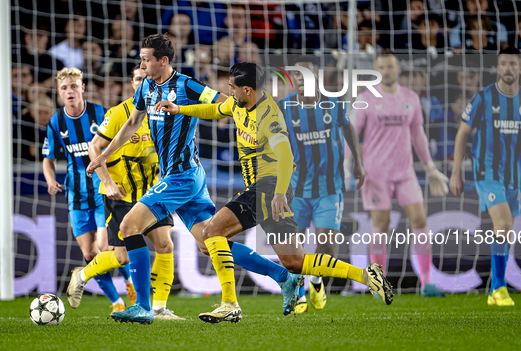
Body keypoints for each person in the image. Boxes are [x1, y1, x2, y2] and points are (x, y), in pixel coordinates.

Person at [87, 34, 305, 324]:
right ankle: (282, 276)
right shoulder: (147, 89)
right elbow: (131, 123)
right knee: (208, 242)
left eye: (145, 59)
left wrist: (249, 117)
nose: (141, 64)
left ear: (162, 61)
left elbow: (222, 103)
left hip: (183, 175)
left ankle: (142, 306)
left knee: (129, 226)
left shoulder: (186, 85)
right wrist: (103, 156)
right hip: (185, 177)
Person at [155, 62, 393, 324]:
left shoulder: (269, 117)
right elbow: (214, 109)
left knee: (211, 233)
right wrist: (180, 109)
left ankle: (229, 304)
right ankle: (366, 275)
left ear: (248, 90)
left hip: (268, 188)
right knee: (294, 261)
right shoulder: (238, 103)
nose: (229, 92)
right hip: (265, 191)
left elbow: (285, 153)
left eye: (232, 88)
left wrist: (279, 193)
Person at [67, 65, 184, 320]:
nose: (143, 83)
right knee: (120, 257)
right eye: (138, 79)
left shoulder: (163, 113)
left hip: (152, 192)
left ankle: (160, 308)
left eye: (147, 79)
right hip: (121, 193)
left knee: (165, 244)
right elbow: (94, 148)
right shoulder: (119, 113)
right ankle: (83, 274)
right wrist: (108, 183)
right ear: (132, 84)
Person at [450, 46, 521, 306]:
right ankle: (498, 287)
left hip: (513, 175)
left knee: (506, 233)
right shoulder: (483, 98)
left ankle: (494, 291)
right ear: (498, 68)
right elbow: (462, 134)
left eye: (513, 64)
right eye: (503, 64)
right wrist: (456, 173)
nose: (508, 68)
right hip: (486, 171)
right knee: (504, 224)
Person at [352, 51, 449, 297]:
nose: (386, 71)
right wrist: (349, 163)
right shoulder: (365, 99)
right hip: (376, 174)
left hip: (405, 173)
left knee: (420, 221)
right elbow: (351, 133)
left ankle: (427, 283)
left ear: (398, 69)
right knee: (380, 225)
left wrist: (430, 167)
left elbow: (418, 134)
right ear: (376, 71)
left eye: (390, 66)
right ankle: (378, 283)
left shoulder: (411, 98)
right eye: (381, 67)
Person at [276, 55, 365, 313]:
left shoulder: (334, 104)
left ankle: (316, 279)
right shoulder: (283, 107)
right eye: (299, 75)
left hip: (329, 187)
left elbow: (348, 129)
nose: (303, 80)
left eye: (308, 74)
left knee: (328, 244)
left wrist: (357, 162)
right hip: (296, 188)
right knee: (295, 246)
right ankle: (299, 293)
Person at [42, 67, 125, 315]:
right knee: (89, 252)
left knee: (106, 246)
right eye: (65, 88)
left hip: (101, 190)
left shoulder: (100, 113)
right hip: (75, 196)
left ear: (83, 88)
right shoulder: (56, 121)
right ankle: (116, 301)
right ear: (59, 92)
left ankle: (131, 286)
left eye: (74, 86)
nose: (70, 91)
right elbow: (48, 158)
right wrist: (50, 179)